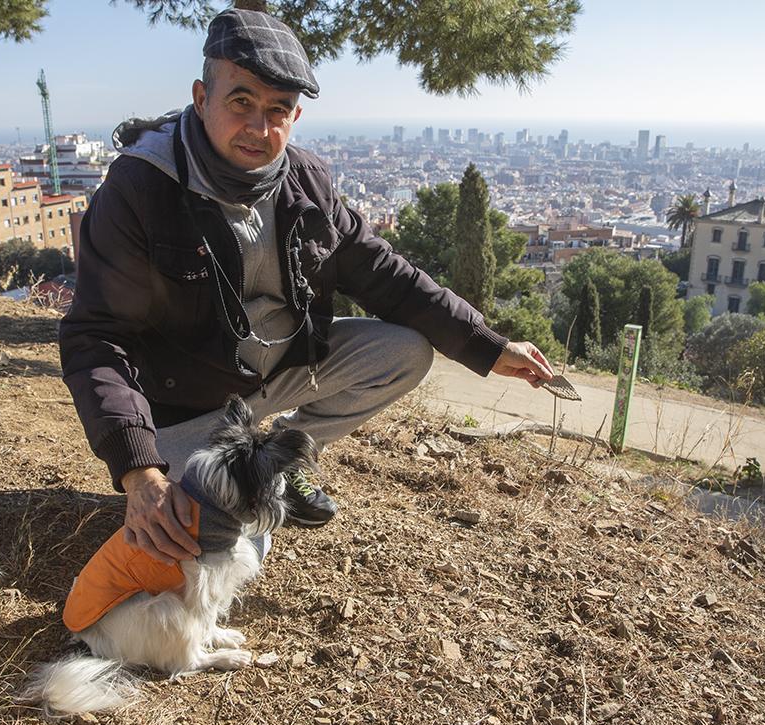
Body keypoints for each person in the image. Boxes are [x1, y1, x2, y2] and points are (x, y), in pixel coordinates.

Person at [59, 8, 554, 568]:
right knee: (229, 550)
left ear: (295, 117)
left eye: (278, 111)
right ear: (201, 98)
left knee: (403, 353)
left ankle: (279, 458)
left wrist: (488, 347)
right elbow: (95, 338)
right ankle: (217, 467)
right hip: (183, 400)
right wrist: (137, 469)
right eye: (240, 102)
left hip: (279, 370)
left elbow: (384, 273)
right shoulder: (142, 187)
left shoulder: (304, 181)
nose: (259, 129)